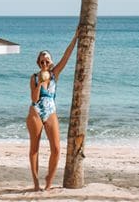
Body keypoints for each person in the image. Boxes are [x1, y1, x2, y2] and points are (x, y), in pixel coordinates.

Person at [27, 28, 79, 191]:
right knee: (34, 149)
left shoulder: (55, 73)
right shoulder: (34, 77)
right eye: (42, 62)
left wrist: (76, 36)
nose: (44, 64)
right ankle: (36, 183)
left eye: (47, 61)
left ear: (51, 62)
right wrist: (41, 82)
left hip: (50, 111)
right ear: (38, 63)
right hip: (35, 111)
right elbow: (34, 99)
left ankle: (48, 183)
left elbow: (67, 56)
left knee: (56, 149)